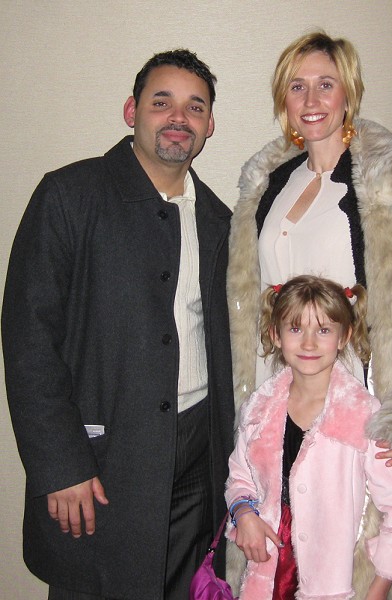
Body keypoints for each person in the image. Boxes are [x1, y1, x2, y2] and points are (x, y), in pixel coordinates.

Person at [226, 30, 392, 598]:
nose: (312, 100)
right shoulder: (267, 187)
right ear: (283, 98)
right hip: (278, 405)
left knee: (345, 577)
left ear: (349, 92)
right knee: (273, 571)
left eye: (326, 84)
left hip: (354, 422)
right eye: (297, 86)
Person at [2, 49, 234, 600]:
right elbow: (28, 338)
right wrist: (60, 464)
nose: (179, 118)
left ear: (209, 126)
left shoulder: (220, 221)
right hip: (100, 460)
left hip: (198, 454)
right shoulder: (69, 196)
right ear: (132, 111)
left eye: (195, 107)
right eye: (162, 102)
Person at [225, 275, 392, 599]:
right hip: (267, 574)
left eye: (323, 330)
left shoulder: (364, 417)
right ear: (276, 335)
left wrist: (378, 589)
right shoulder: (258, 409)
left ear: (344, 336)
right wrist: (244, 513)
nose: (308, 344)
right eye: (295, 329)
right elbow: (239, 477)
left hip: (332, 581)